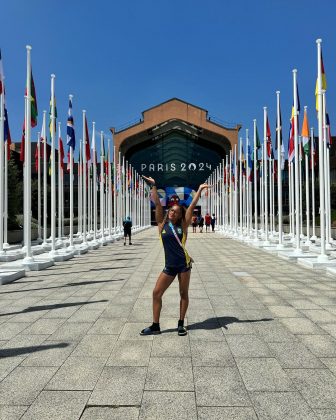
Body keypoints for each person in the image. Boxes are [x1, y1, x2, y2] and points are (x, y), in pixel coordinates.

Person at [140, 176, 210, 336]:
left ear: (180, 216)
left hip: (184, 266)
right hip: (170, 266)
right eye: (171, 210)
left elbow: (191, 206)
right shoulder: (161, 225)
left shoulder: (183, 226)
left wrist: (199, 190)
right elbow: (157, 203)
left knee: (183, 294)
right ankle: (155, 326)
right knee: (156, 293)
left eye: (176, 212)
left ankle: (181, 324)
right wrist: (153, 185)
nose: (172, 213)